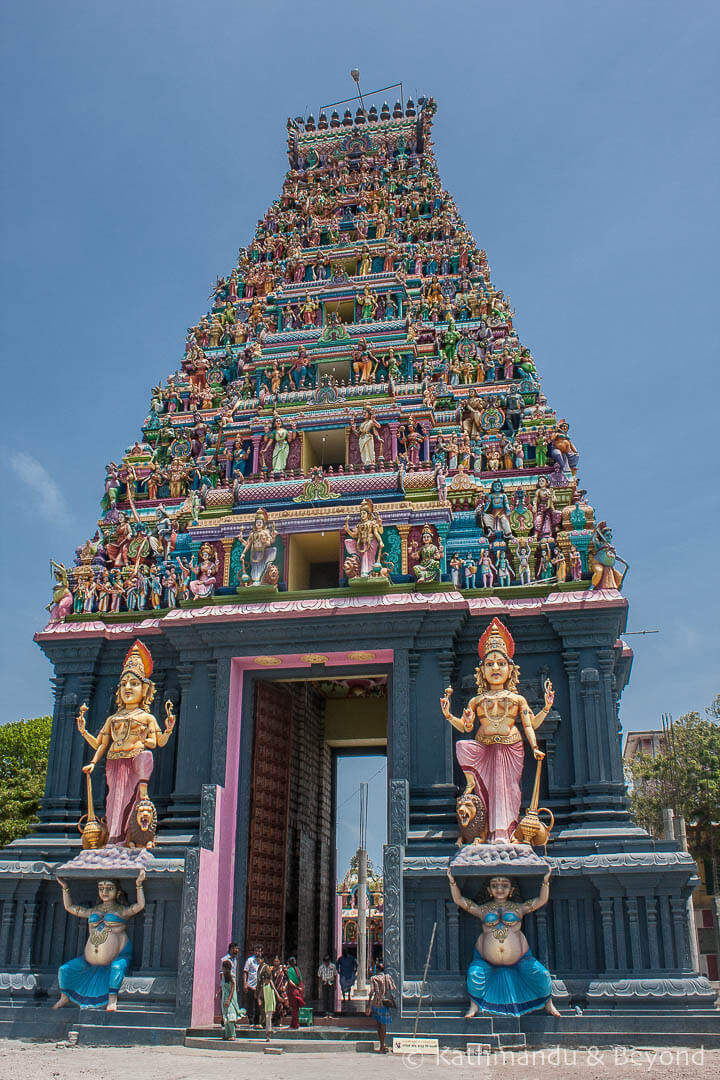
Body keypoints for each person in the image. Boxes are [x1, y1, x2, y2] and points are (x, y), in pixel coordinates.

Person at [447, 870, 560, 1017]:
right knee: (474, 975)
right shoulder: (483, 910)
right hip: (486, 960)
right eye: (494, 885)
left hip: (520, 959)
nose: (499, 889)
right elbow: (460, 901)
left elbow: (541, 901)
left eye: (504, 885)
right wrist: (452, 881)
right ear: (489, 889)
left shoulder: (518, 908)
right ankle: (474, 1006)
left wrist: (545, 881)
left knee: (542, 975)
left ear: (512, 889)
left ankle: (548, 1004)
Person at [366, 960, 395, 1054]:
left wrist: (368, 1005)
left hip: (376, 1003)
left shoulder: (373, 978)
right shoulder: (388, 977)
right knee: (383, 1025)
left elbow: (371, 992)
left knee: (378, 1024)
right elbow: (392, 990)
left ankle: (381, 1044)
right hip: (385, 1003)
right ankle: (383, 1044)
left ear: (377, 969)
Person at [220, 959, 242, 1040]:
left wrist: (229, 999)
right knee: (225, 1017)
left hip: (231, 999)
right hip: (224, 998)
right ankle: (227, 1034)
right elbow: (222, 986)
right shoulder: (223, 976)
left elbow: (233, 988)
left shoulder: (232, 976)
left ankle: (233, 1034)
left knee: (231, 1017)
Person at [257, 958, 278, 1040]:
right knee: (267, 1018)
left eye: (267, 980)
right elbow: (260, 994)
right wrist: (259, 999)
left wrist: (279, 998)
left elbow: (275, 991)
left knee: (268, 1018)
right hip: (266, 1004)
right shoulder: (263, 985)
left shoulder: (270, 983)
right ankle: (269, 1031)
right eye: (265, 980)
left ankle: (268, 1033)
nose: (266, 981)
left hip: (271, 1003)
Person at [242, 944, 263, 1027]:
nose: (258, 952)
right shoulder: (250, 960)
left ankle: (257, 1021)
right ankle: (251, 1021)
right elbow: (245, 972)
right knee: (250, 1004)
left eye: (259, 951)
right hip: (250, 985)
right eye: (256, 950)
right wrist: (244, 983)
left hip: (259, 987)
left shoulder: (262, 961)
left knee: (258, 1005)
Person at [285, 956, 305, 1029]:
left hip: (293, 989)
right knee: (296, 1008)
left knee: (294, 1008)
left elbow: (290, 981)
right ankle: (294, 1024)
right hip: (298, 989)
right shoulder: (297, 969)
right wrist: (300, 988)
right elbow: (300, 979)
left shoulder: (289, 970)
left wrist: (296, 987)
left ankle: (294, 1024)